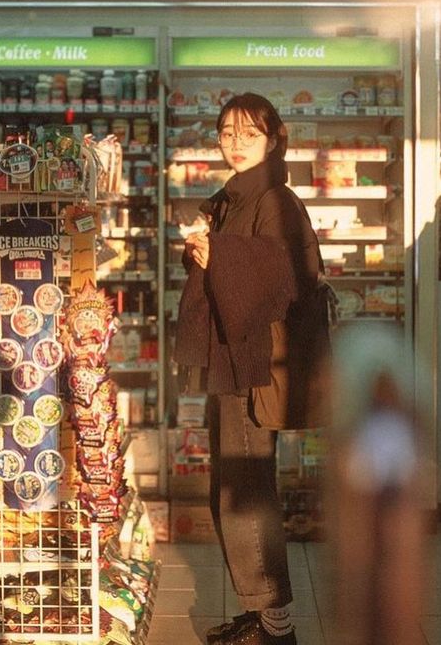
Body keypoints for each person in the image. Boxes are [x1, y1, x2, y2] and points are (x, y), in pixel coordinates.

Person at [174, 93, 330, 645]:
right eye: (226, 132)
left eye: (248, 133)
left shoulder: (276, 199)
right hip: (232, 357)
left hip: (256, 363)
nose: (235, 142)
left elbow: (295, 274)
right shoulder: (229, 198)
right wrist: (201, 252)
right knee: (231, 485)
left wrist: (220, 257)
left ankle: (276, 625)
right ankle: (258, 613)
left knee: (247, 492)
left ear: (273, 139)